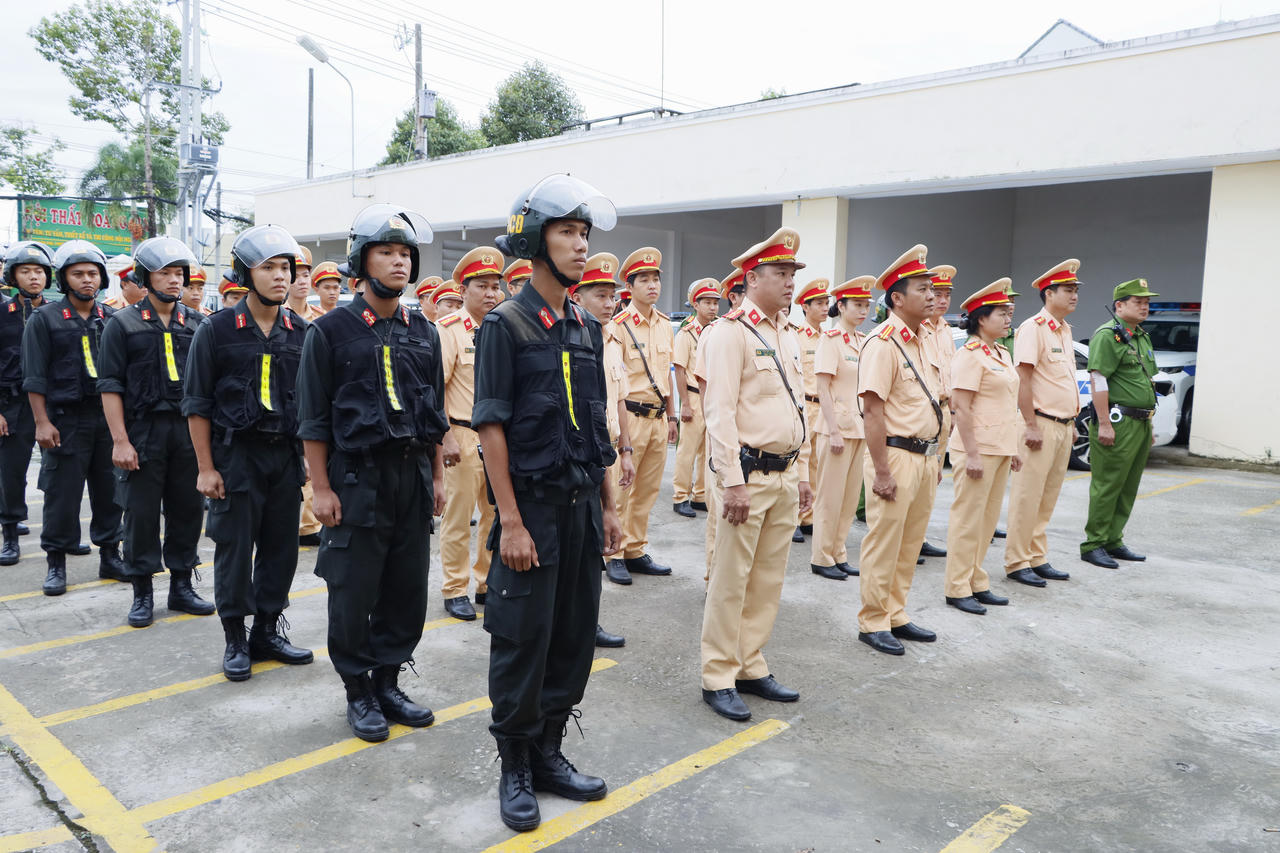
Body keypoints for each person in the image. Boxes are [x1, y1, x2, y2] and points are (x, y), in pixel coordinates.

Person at [474, 175, 622, 832]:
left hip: (582, 506)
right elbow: (491, 427)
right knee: (521, 638)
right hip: (530, 508)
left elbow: (596, 423)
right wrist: (509, 519)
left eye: (584, 233)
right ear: (536, 241)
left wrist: (611, 506)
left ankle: (549, 752)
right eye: (567, 232)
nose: (580, 244)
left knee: (571, 634)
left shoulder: (585, 326)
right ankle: (513, 762)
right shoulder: (505, 325)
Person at [297, 204, 447, 741]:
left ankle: (388, 681)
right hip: (355, 480)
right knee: (353, 590)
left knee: (407, 589)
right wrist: (320, 487)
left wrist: (438, 477)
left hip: (411, 477)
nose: (399, 262)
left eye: (406, 253)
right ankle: (357, 691)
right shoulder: (330, 331)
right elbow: (313, 417)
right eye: (386, 252)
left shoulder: (422, 330)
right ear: (363, 262)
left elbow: (432, 413)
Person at [185, 225, 315, 681]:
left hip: (284, 457)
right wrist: (205, 468)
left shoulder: (301, 332)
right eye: (270, 268)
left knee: (282, 548)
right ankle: (235, 638)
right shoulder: (216, 330)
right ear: (246, 273)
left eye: (287, 268)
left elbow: (312, 404)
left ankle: (266, 630)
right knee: (235, 549)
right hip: (234, 456)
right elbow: (197, 404)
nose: (282, 277)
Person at [697, 227, 812, 722]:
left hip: (785, 475)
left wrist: (804, 472)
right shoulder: (728, 333)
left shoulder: (787, 332)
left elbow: (797, 407)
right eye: (780, 273)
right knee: (731, 579)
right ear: (751, 278)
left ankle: (751, 663)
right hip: (747, 475)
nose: (789, 283)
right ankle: (718, 674)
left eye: (791, 274)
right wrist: (732, 481)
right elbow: (717, 412)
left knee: (768, 578)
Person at [98, 237, 214, 628]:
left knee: (187, 509)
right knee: (141, 515)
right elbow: (110, 385)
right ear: (146, 278)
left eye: (179, 273)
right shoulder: (122, 324)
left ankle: (182, 585)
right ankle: (142, 591)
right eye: (165, 272)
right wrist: (119, 440)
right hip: (143, 432)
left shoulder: (198, 323)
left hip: (187, 431)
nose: (174, 280)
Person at [22, 240, 127, 595]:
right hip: (64, 420)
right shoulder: (44, 319)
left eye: (93, 274)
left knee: (110, 491)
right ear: (64, 279)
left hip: (105, 419)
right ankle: (56, 562)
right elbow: (34, 375)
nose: (87, 280)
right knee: (61, 495)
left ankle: (111, 555)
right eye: (78, 274)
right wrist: (41, 421)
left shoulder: (110, 318)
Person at [855, 245, 944, 656]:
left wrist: (937, 458)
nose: (932, 295)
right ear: (897, 298)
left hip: (924, 457)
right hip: (895, 457)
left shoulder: (925, 339)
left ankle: (896, 613)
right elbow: (872, 411)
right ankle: (873, 620)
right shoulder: (883, 342)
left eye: (932, 288)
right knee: (885, 540)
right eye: (923, 289)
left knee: (911, 541)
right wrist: (882, 471)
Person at [943, 279, 1022, 615]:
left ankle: (976, 580)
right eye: (1000, 313)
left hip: (1000, 446)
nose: (1007, 319)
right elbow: (960, 407)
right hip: (976, 449)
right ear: (980, 318)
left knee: (987, 522)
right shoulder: (970, 356)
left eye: (1008, 313)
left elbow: (1006, 403)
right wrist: (972, 453)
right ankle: (956, 586)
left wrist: (1014, 446)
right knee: (967, 519)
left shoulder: (1000, 353)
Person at [1003, 260, 1081, 586]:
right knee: (1027, 495)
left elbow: (1065, 380)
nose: (1075, 296)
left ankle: (1037, 555)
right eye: (1069, 290)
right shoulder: (1033, 328)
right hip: (1040, 424)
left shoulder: (1064, 330)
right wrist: (1030, 424)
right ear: (1049, 293)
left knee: (1048, 495)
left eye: (1076, 290)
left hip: (1063, 425)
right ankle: (1017, 560)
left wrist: (1073, 421)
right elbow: (1024, 378)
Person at [569, 252, 633, 649]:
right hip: (578, 453)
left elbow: (620, 400)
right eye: (601, 295)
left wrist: (625, 449)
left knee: (596, 543)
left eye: (613, 296)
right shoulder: (572, 337)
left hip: (606, 450)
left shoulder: (612, 340)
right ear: (578, 296)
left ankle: (588, 623)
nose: (610, 303)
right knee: (577, 545)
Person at [436, 248, 502, 621]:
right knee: (459, 517)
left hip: (497, 439)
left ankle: (486, 583)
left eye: (496, 286)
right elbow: (437, 390)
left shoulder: (503, 326)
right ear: (464, 290)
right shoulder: (449, 332)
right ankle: (454, 587)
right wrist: (444, 438)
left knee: (494, 515)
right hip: (460, 435)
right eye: (482, 286)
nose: (491, 294)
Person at [606, 247, 676, 586]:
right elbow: (616, 381)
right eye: (643, 280)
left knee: (648, 490)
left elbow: (667, 376)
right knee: (622, 489)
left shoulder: (665, 325)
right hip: (630, 416)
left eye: (655, 279)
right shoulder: (620, 326)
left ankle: (635, 549)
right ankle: (614, 553)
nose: (652, 285)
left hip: (659, 418)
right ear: (629, 287)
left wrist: (673, 417)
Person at [1080, 278, 1160, 569]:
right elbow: (1098, 378)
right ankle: (1094, 543)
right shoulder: (1107, 335)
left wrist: (1150, 424)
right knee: (1108, 484)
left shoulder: (1140, 335)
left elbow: (1146, 379)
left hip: (1140, 422)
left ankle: (1114, 539)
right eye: (1138, 301)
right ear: (1119, 305)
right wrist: (1104, 423)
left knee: (1128, 484)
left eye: (1146, 301)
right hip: (1119, 419)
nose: (1144, 306)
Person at [808, 276, 871, 581]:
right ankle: (821, 556)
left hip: (858, 428)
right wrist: (832, 430)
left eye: (866, 306)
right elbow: (823, 388)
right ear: (841, 306)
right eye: (857, 305)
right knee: (829, 498)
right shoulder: (830, 340)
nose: (863, 311)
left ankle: (838, 552)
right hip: (836, 429)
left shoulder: (863, 342)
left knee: (847, 499)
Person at [0, 242, 53, 564]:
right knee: (11, 471)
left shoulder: (55, 313)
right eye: (26, 271)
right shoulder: (2, 314)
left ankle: (61, 535)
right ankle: (9, 532)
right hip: (13, 404)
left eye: (39, 272)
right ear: (13, 275)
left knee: (59, 471)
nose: (34, 277)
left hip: (54, 405)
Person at [917, 265, 957, 561]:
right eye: (936, 293)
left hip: (943, 412)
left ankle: (920, 535)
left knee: (933, 480)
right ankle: (909, 538)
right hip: (921, 413)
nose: (941, 300)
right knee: (913, 480)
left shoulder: (945, 331)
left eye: (946, 294)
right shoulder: (919, 329)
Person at [671, 278, 719, 518]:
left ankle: (700, 494)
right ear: (696, 304)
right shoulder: (686, 333)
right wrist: (685, 405)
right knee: (687, 451)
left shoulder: (717, 330)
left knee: (707, 450)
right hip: (692, 396)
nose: (712, 307)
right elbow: (679, 370)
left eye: (715, 303)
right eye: (707, 303)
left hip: (711, 399)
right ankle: (680, 495)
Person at [792, 278, 829, 542]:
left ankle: (808, 516)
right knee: (798, 463)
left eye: (827, 303)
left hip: (823, 407)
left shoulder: (828, 338)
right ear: (806, 307)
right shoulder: (796, 336)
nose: (825, 308)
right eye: (819, 303)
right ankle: (793, 517)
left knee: (817, 466)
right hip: (803, 406)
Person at [284, 246, 319, 320]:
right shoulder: (276, 314)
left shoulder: (319, 316)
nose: (302, 282)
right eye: (295, 277)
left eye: (306, 275)